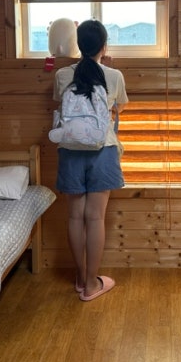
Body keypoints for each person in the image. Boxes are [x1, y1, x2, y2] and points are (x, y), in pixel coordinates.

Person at [52, 19, 128, 301]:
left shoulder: (62, 75)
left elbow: (59, 104)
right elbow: (120, 107)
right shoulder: (114, 76)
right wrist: (108, 68)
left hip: (70, 150)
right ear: (104, 46)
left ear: (78, 44)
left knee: (75, 216)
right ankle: (91, 285)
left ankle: (81, 276)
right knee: (95, 218)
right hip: (102, 150)